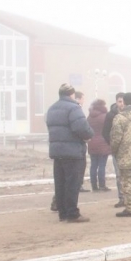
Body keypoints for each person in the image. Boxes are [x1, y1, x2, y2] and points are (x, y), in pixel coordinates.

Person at [46, 83, 94, 223]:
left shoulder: (52, 108)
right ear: (72, 94)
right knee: (72, 183)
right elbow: (81, 128)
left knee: (60, 183)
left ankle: (63, 213)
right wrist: (89, 134)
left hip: (57, 151)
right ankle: (72, 213)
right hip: (73, 151)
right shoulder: (74, 108)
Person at [103, 93, 126, 208]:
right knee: (119, 175)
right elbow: (105, 132)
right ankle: (122, 198)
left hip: (130, 150)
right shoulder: (111, 115)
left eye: (123, 101)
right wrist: (112, 145)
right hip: (117, 150)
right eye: (120, 101)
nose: (121, 104)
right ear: (116, 102)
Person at [87, 98, 111, 192]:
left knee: (93, 165)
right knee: (102, 165)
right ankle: (102, 185)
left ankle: (94, 186)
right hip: (103, 143)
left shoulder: (89, 117)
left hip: (92, 142)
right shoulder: (105, 116)